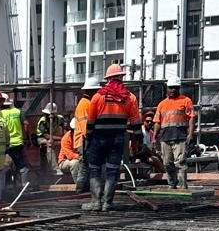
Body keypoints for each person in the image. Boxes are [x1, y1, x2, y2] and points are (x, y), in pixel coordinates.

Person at [83, 63, 142, 213]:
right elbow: (136, 122)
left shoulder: (97, 97)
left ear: (108, 79)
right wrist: (140, 140)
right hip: (117, 139)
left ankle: (96, 202)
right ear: (121, 78)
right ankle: (107, 203)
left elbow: (90, 122)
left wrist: (88, 139)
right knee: (112, 171)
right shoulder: (129, 98)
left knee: (95, 170)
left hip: (98, 139)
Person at [153, 83, 198, 189]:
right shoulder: (162, 104)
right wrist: (154, 137)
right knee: (167, 163)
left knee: (180, 162)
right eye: (171, 88)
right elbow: (157, 122)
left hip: (180, 137)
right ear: (167, 89)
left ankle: (182, 185)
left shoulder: (186, 100)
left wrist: (190, 134)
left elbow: (191, 118)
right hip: (165, 137)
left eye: (175, 88)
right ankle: (172, 184)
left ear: (179, 88)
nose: (173, 90)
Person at [0, 90, 28, 187]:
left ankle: (8, 187)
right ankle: (24, 187)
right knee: (21, 166)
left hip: (6, 145)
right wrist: (26, 138)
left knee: (6, 166)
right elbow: (25, 125)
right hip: (18, 143)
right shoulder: (18, 111)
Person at [72, 81, 96, 194]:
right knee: (84, 166)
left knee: (87, 165)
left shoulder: (89, 103)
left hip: (86, 139)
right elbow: (85, 126)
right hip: (83, 140)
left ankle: (85, 190)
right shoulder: (84, 104)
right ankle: (80, 190)